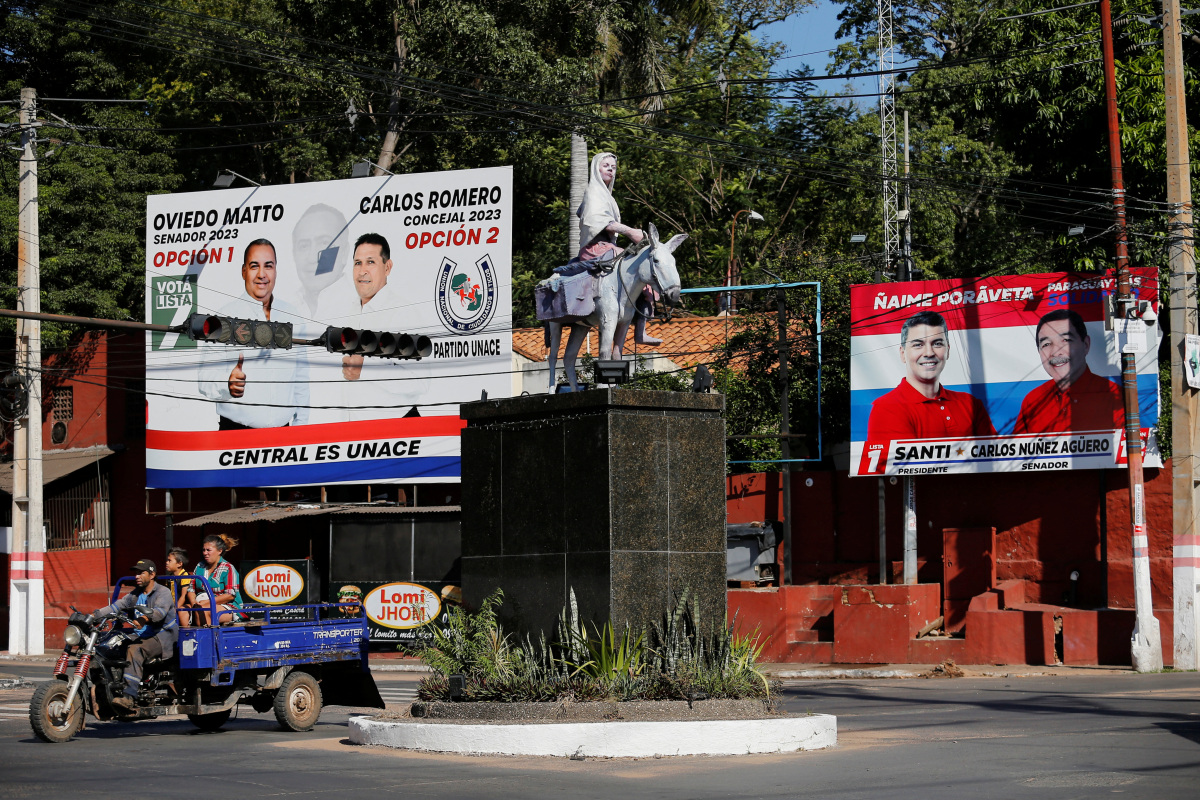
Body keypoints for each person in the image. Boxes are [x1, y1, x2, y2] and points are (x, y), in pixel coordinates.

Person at [197, 239, 310, 429]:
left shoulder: (293, 317)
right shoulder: (223, 319)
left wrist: (301, 427)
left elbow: (301, 380)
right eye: (254, 266)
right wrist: (227, 384)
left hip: (284, 436)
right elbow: (204, 379)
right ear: (243, 271)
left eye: (268, 266)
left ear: (275, 271)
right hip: (235, 436)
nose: (261, 274)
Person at [318, 232, 430, 419]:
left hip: (399, 429)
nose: (362, 271)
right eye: (357, 263)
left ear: (387, 267)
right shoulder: (349, 312)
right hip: (361, 433)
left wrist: (367, 368)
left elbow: (420, 381)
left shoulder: (403, 313)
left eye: (370, 262)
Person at [867, 310, 997, 442]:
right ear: (902, 353)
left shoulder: (970, 404)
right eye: (918, 345)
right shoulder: (887, 408)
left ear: (948, 351)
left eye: (937, 344)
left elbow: (997, 458)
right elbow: (905, 462)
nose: (929, 352)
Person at [575, 151, 661, 346]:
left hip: (609, 246)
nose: (611, 171)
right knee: (634, 264)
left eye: (613, 168)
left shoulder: (607, 196)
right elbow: (598, 221)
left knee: (642, 268)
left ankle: (641, 327)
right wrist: (630, 231)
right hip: (594, 248)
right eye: (606, 166)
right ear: (596, 169)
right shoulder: (592, 192)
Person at [1013, 309, 1124, 434]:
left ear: (1086, 345)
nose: (1055, 352)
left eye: (1066, 340)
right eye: (1046, 344)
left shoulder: (1115, 396)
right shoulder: (1032, 401)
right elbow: (1018, 451)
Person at [92, 559, 178, 713]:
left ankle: (129, 696)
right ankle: (106, 691)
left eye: (141, 573)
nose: (137, 576)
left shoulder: (162, 592)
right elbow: (116, 606)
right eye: (136, 573)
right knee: (106, 647)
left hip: (162, 636)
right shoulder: (135, 594)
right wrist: (93, 616)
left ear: (152, 575)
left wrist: (144, 619)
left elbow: (160, 612)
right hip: (140, 635)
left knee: (134, 649)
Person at [193, 534, 244, 625]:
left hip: (228, 606)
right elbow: (191, 589)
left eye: (208, 550)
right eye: (204, 550)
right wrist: (194, 603)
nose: (205, 553)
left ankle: (208, 638)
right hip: (200, 602)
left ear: (219, 551)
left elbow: (230, 595)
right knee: (182, 612)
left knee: (204, 610)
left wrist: (206, 602)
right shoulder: (199, 566)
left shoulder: (228, 568)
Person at [164, 547, 196, 627]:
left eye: (169, 560)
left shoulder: (185, 576)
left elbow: (183, 596)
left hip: (185, 605)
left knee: (181, 610)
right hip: (173, 606)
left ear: (179, 564)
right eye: (167, 560)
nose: (167, 562)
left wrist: (175, 609)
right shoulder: (169, 577)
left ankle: (187, 631)